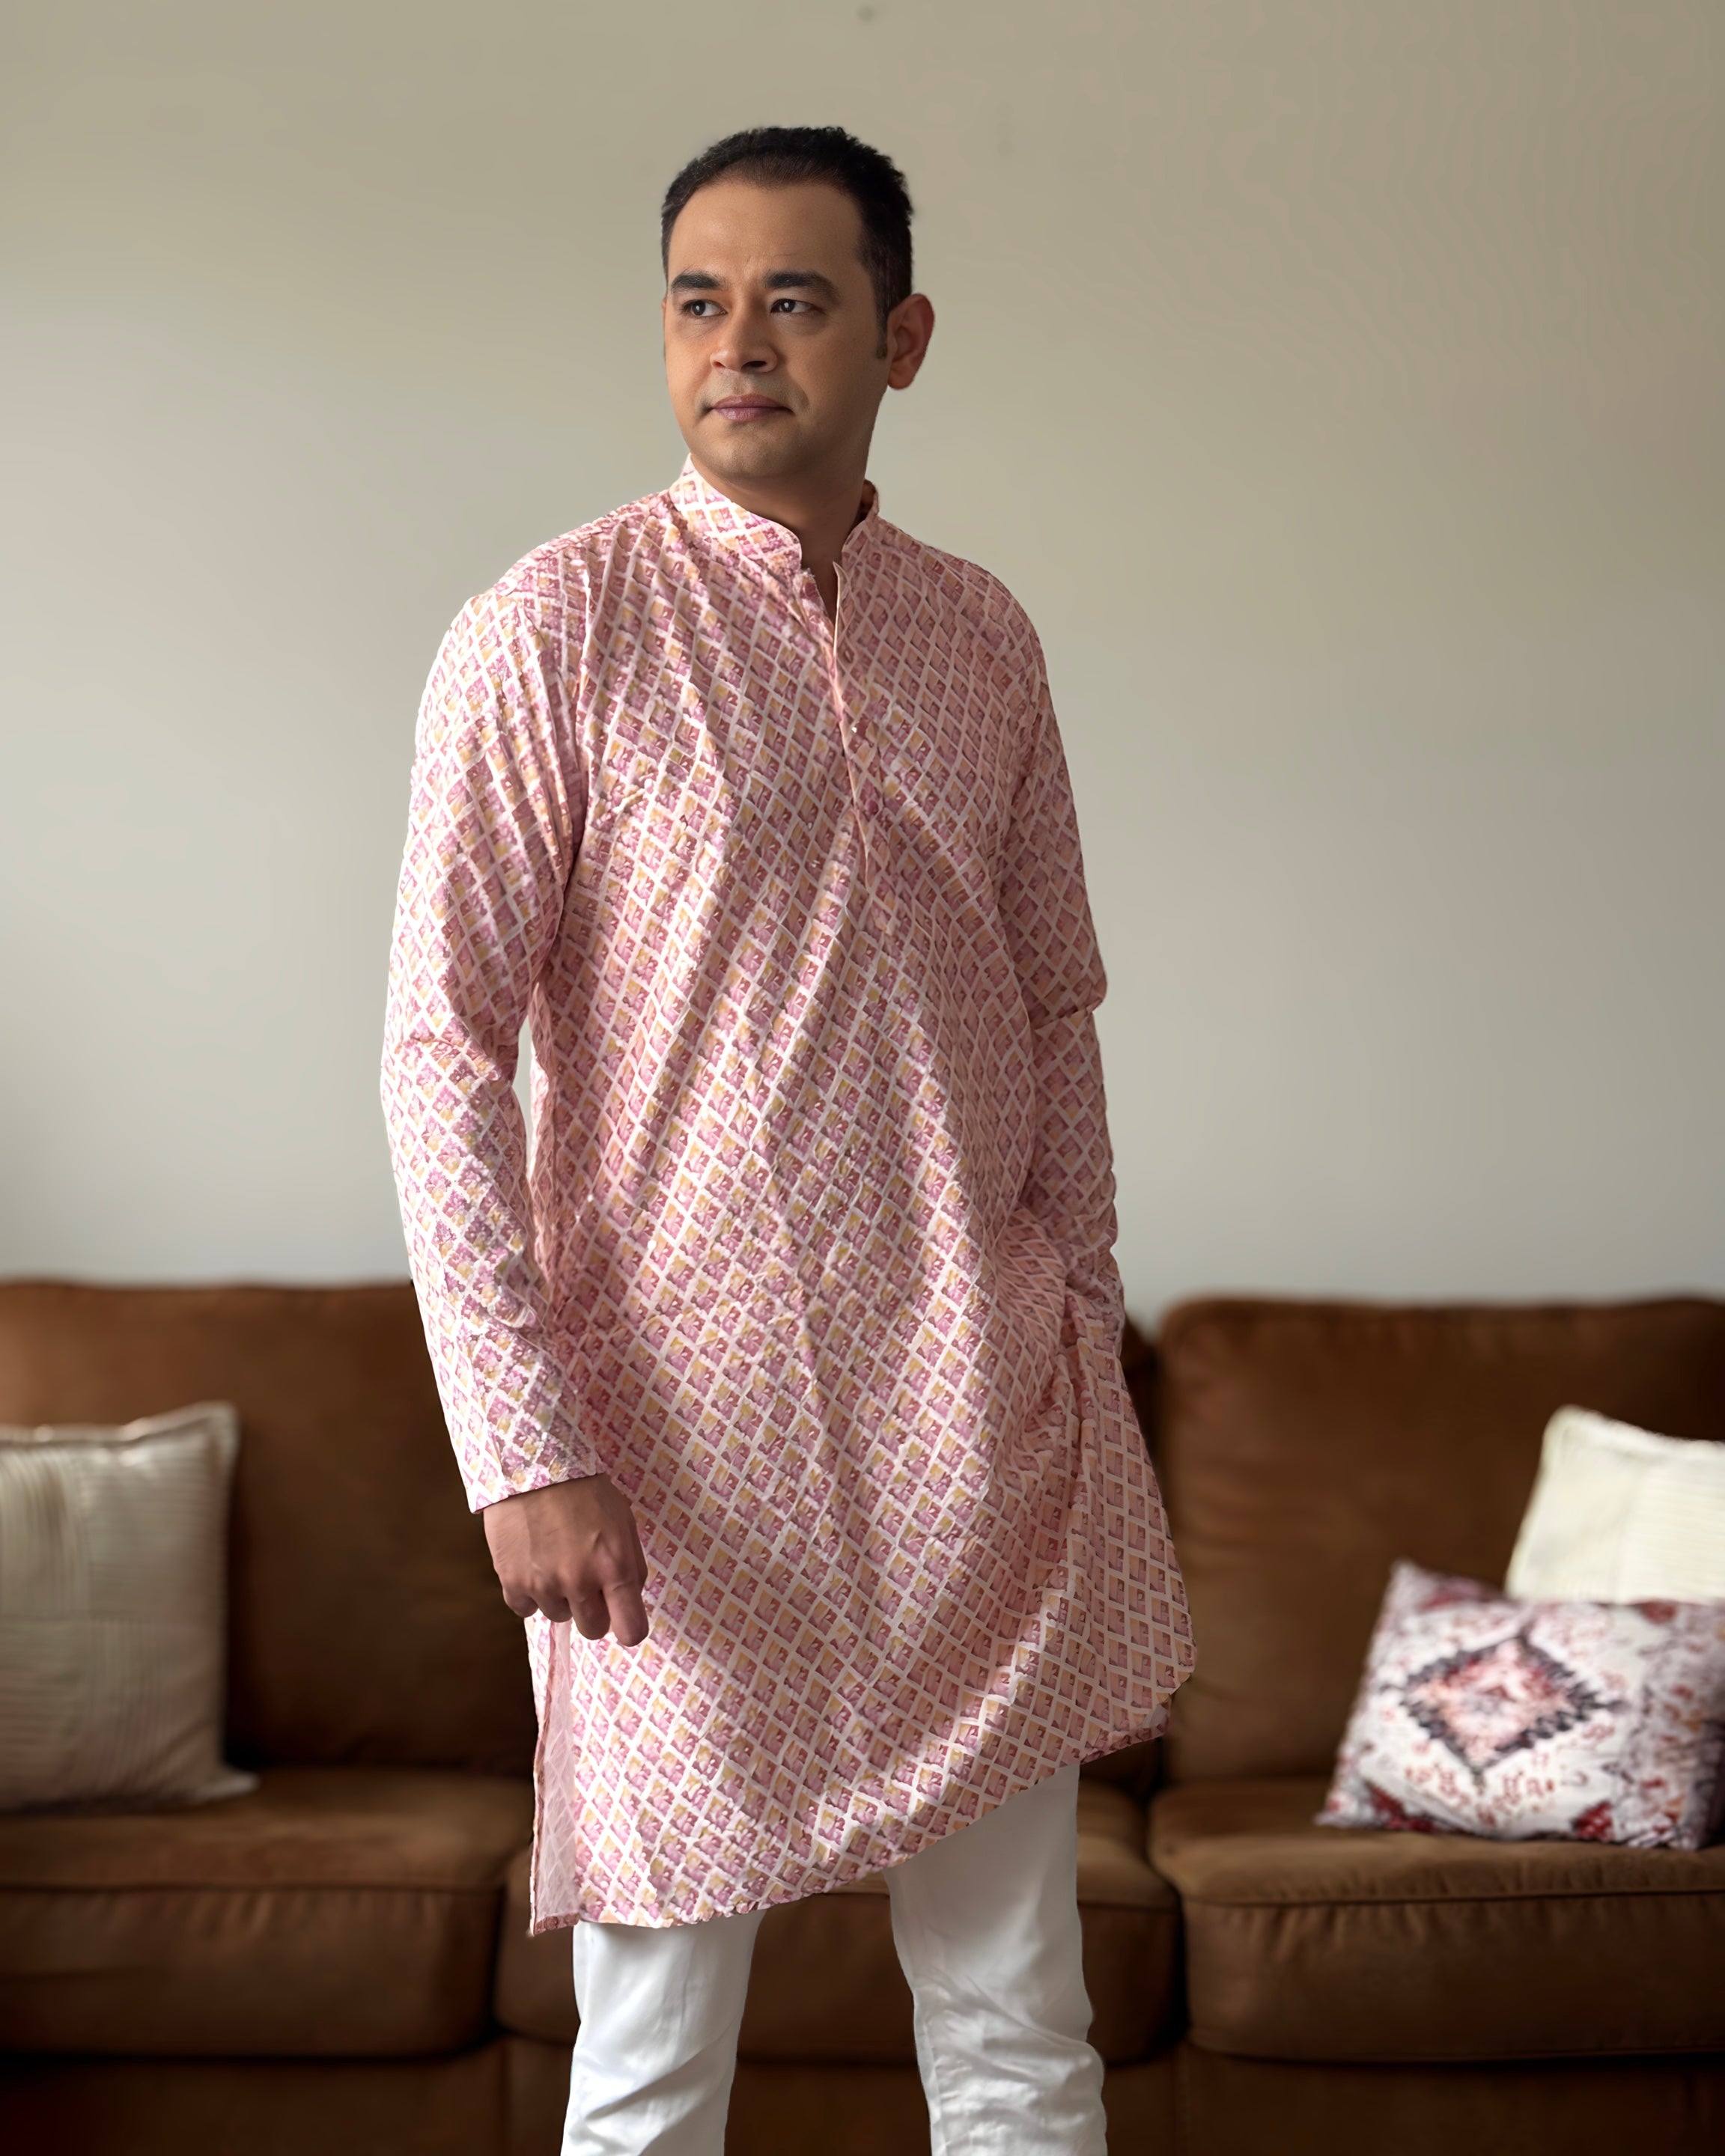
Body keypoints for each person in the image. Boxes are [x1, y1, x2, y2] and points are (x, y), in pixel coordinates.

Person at [382, 124, 1193, 2156]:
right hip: (666, 1474)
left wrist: (1080, 1334)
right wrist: (527, 1442)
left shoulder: (983, 637)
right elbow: (438, 1051)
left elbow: (1052, 1012)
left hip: (973, 1428)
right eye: (696, 299)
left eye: (795, 299)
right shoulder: (550, 629)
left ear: (900, 337)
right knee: (654, 2064)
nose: (737, 344)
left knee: (1018, 2029)